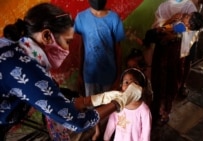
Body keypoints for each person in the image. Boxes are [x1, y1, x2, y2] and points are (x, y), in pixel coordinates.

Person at [0, 3, 142, 141]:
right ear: (47, 36)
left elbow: (56, 97)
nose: (67, 51)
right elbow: (79, 122)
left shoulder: (13, 49)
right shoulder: (25, 68)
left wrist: (101, 98)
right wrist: (121, 101)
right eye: (67, 42)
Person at [143, 11, 203, 124]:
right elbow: (159, 31)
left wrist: (169, 30)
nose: (185, 14)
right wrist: (171, 20)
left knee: (166, 89)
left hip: (169, 67)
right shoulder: (181, 29)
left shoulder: (181, 35)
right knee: (161, 89)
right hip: (165, 66)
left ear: (189, 25)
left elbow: (154, 35)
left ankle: (163, 113)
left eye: (187, 16)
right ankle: (160, 111)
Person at [74, 0, 125, 97]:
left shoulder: (114, 18)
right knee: (91, 109)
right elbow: (81, 47)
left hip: (110, 76)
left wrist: (118, 77)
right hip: (89, 76)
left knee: (108, 109)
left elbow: (118, 50)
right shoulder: (81, 18)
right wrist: (80, 75)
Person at [103, 68, 152, 141]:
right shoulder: (118, 104)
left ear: (141, 89)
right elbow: (111, 122)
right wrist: (106, 138)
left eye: (134, 83)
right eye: (126, 82)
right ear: (121, 85)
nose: (129, 86)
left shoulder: (144, 110)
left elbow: (146, 132)